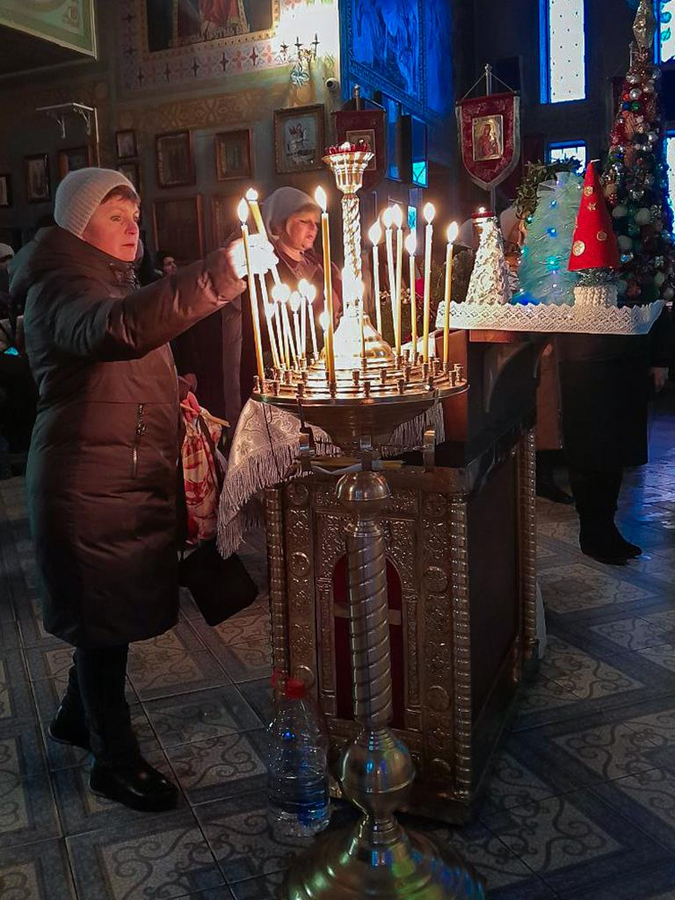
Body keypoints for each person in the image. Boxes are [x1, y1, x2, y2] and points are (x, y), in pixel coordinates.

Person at [8, 168, 275, 812]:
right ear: (79, 225)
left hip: (115, 476)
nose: (134, 228)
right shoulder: (59, 287)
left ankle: (77, 714)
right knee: (102, 621)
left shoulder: (104, 279)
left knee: (109, 615)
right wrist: (223, 270)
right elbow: (117, 330)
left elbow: (121, 352)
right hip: (87, 484)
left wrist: (165, 389)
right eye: (116, 216)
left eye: (136, 217)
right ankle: (112, 757)